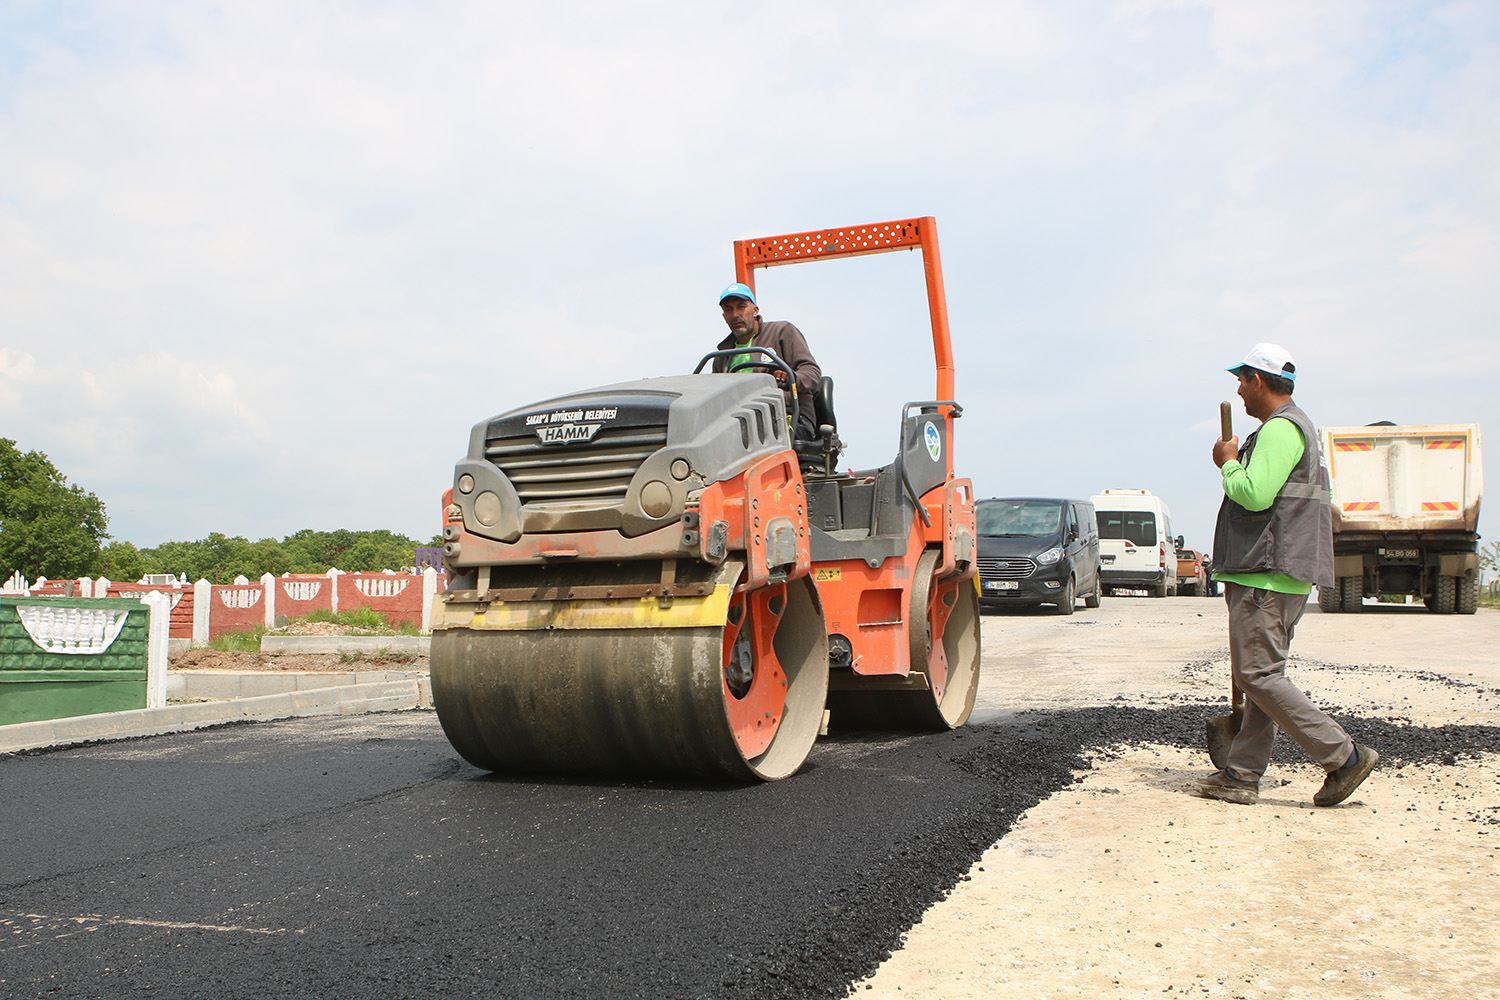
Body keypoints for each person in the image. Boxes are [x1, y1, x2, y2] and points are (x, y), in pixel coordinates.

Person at [1198, 342, 1378, 807]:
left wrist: (1229, 463)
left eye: (1241, 380)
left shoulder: (1280, 430)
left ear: (1258, 380)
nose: (1238, 391)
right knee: (1263, 679)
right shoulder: (1297, 428)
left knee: (1257, 674)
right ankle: (1241, 774)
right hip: (1278, 574)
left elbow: (1255, 495)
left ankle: (1344, 756)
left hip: (1267, 575)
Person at [712, 282, 822, 439]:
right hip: (737, 423)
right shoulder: (722, 355)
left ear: (755, 310)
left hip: (786, 415)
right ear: (724, 317)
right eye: (728, 309)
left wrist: (790, 377)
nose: (735, 314)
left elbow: (812, 372)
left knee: (754, 434)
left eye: (741, 306)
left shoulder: (782, 332)